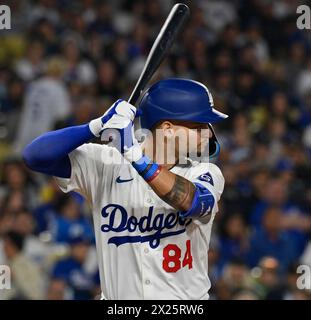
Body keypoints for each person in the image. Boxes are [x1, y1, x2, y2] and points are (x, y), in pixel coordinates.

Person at [23, 78, 228, 300]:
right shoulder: (106, 162)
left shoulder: (204, 172)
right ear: (167, 129)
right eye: (199, 126)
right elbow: (34, 157)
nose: (208, 133)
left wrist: (134, 154)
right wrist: (95, 126)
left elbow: (193, 201)